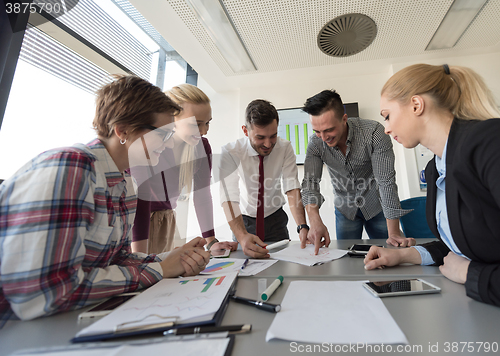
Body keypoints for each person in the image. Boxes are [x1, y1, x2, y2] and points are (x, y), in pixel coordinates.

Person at [0, 76, 210, 327]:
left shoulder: (122, 182)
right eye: (162, 135)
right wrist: (161, 270)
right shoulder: (72, 169)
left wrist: (172, 257)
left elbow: (115, 260)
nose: (167, 145)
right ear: (123, 130)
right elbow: (47, 294)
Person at [365, 63, 500, 307]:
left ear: (416, 105)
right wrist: (405, 255)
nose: (386, 128)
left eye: (387, 115)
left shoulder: (489, 142)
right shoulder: (436, 166)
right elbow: (462, 243)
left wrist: (471, 275)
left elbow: (466, 262)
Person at [130, 84, 237, 254]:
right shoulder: (149, 144)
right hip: (135, 226)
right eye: (196, 124)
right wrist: (138, 257)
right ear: (172, 119)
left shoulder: (201, 147)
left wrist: (210, 241)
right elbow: (140, 202)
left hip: (167, 222)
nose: (204, 131)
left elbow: (202, 195)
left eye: (207, 123)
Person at [301, 89, 414, 248]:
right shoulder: (315, 143)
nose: (324, 137)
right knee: (346, 258)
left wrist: (394, 232)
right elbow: (310, 183)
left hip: (377, 207)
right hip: (345, 210)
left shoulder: (373, 132)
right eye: (317, 131)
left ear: (344, 119)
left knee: (392, 250)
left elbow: (386, 182)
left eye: (328, 130)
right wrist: (314, 221)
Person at [219, 99, 312, 258]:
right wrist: (241, 236)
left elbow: (291, 188)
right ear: (245, 130)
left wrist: (302, 226)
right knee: (247, 273)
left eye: (273, 135)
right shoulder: (230, 152)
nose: (268, 144)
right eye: (260, 137)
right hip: (244, 223)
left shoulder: (285, 147)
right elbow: (229, 198)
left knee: (280, 267)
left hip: (276, 221)